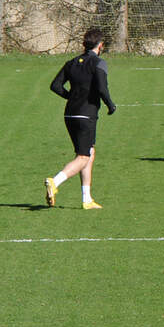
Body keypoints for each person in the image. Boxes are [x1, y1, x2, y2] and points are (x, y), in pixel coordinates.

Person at [44, 28, 116, 210]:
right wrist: (110, 104)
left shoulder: (72, 63)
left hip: (70, 114)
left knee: (88, 153)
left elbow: (55, 85)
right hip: (86, 114)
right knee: (84, 157)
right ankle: (55, 181)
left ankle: (87, 199)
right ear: (100, 45)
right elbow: (101, 87)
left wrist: (71, 96)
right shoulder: (99, 63)